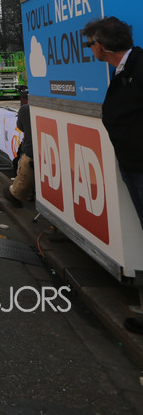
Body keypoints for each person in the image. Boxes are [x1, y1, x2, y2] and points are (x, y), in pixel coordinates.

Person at [81, 18, 143, 334]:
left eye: (89, 44)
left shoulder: (137, 68)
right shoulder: (125, 69)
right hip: (133, 164)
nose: (89, 50)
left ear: (101, 46)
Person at [3, 90, 33, 208]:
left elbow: (21, 127)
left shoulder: (26, 109)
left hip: (30, 154)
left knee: (15, 192)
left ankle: (19, 195)